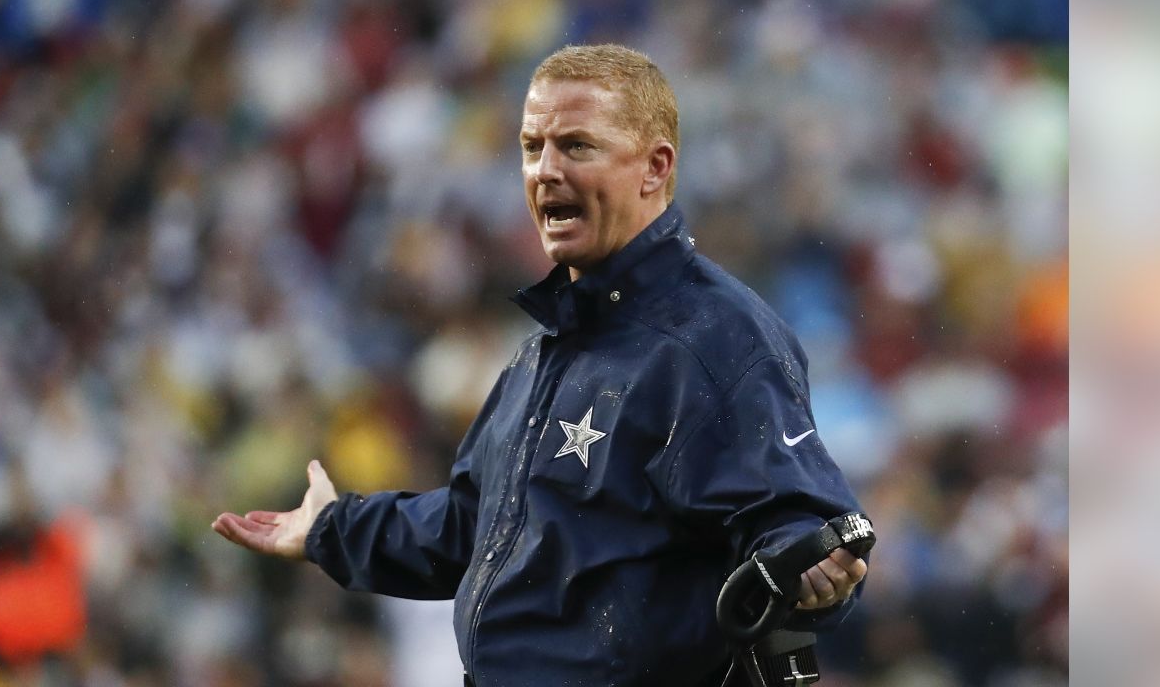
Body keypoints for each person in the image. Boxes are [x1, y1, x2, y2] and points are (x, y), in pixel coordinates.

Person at [213, 43, 868, 687]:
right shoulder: (545, 351)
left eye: (576, 145)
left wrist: (814, 567)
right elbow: (472, 528)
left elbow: (800, 523)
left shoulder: (716, 337)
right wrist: (333, 529)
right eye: (532, 147)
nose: (545, 171)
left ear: (654, 167)